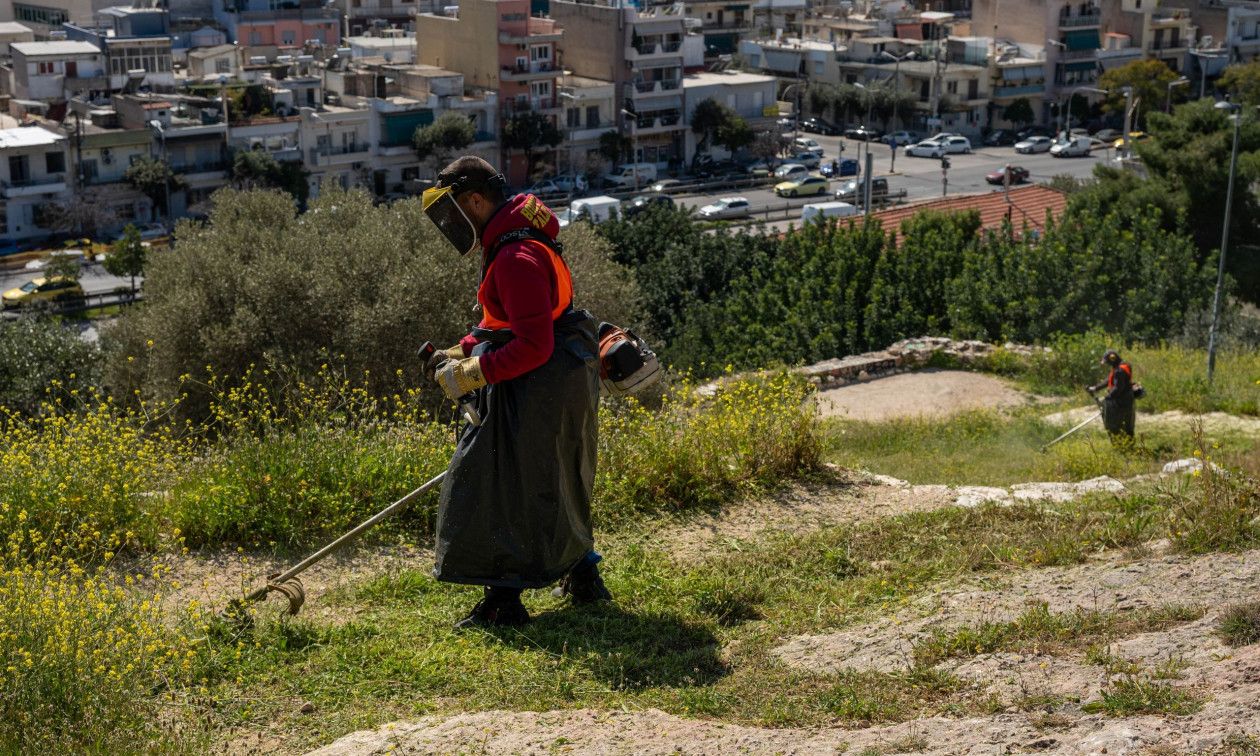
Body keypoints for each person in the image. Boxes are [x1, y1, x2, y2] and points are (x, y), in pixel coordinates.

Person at [420, 156, 611, 630]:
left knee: (496, 484)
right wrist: (463, 348)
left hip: (538, 381)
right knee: (558, 479)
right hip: (560, 378)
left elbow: (532, 344)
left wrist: (471, 375)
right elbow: (510, 321)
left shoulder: (515, 257)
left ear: (476, 201)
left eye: (454, 210)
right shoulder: (517, 239)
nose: (451, 223)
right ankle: (584, 577)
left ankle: (503, 604)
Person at [1088, 349, 1135, 443]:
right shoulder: (1122, 365)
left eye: (1108, 362)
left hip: (1121, 401)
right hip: (1126, 399)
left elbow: (1118, 388)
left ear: (1113, 359)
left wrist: (1106, 398)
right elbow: (1109, 380)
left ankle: (1123, 446)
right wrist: (1096, 388)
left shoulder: (1119, 370)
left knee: (1117, 424)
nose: (1108, 364)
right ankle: (1126, 445)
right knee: (1126, 423)